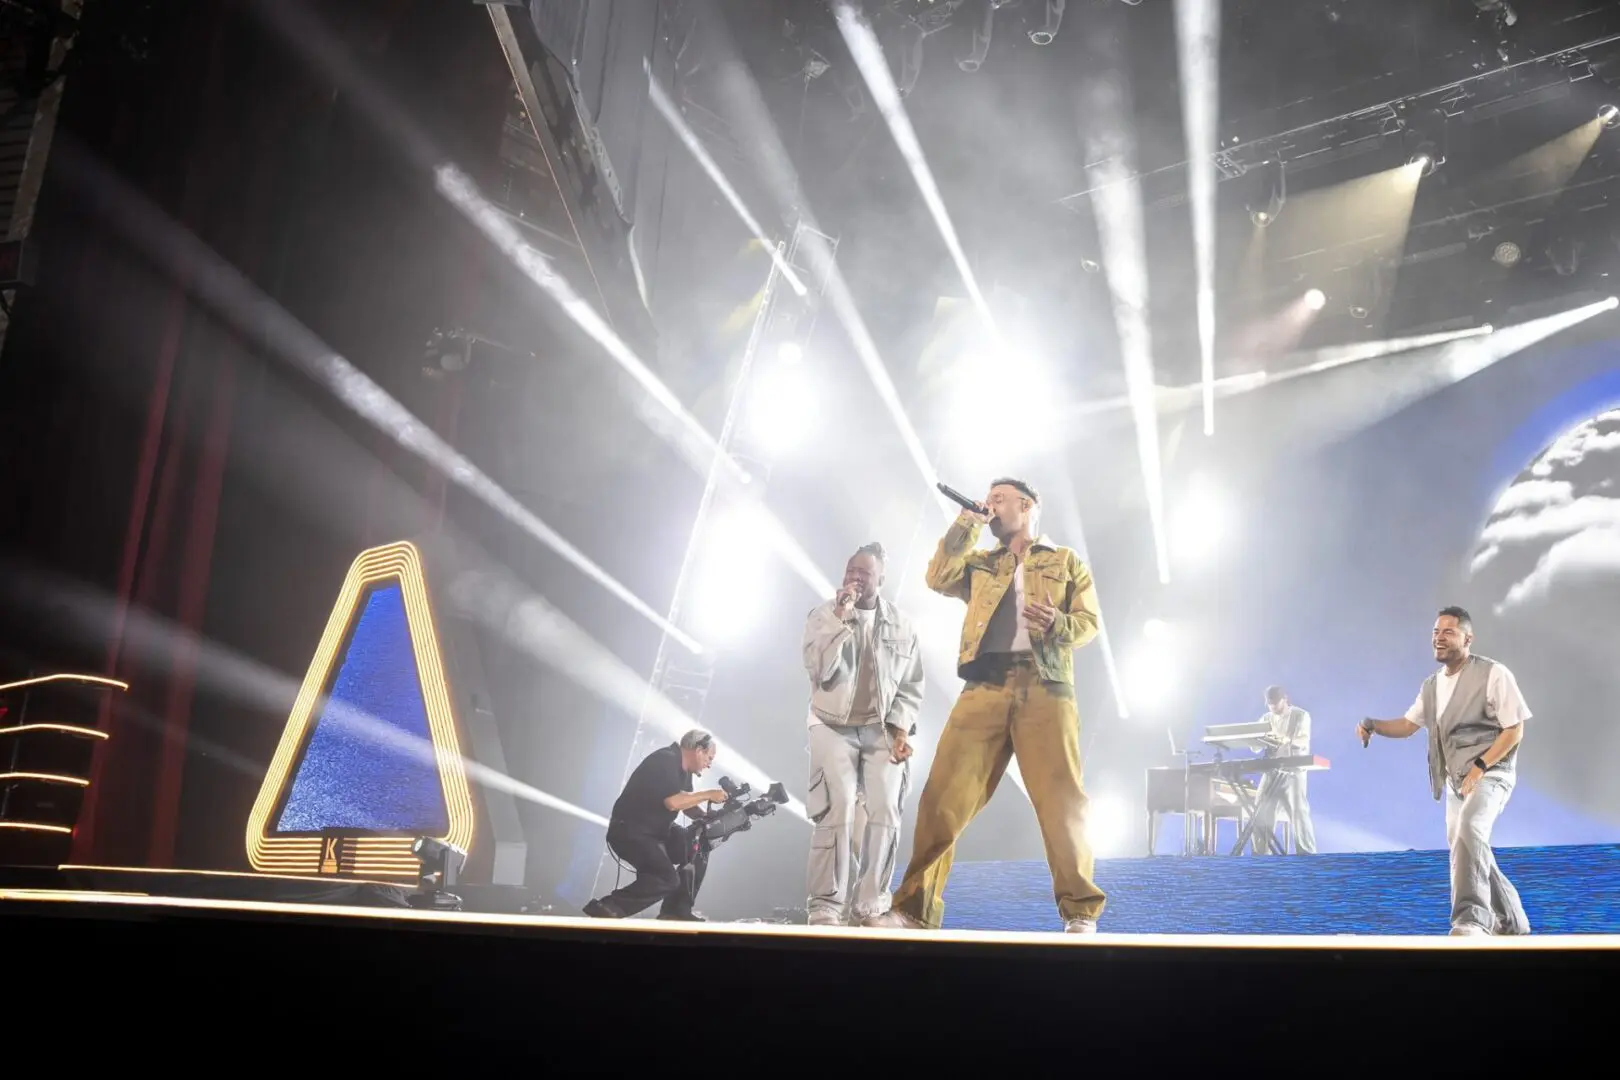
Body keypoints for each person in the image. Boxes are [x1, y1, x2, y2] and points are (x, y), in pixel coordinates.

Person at [871, 478, 1107, 933]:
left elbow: (1089, 622)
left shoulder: (1064, 560)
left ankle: (1080, 910)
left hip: (1046, 685)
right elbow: (938, 576)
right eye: (989, 499)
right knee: (943, 795)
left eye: (999, 499)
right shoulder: (981, 562)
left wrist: (1058, 622)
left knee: (1062, 801)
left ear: (1028, 504)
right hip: (985, 685)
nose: (991, 505)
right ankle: (913, 909)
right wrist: (966, 523)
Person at [1356, 606, 1531, 936]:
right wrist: (1374, 725)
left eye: (1448, 632)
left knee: (1470, 828)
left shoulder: (1494, 674)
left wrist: (1481, 766)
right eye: (1435, 632)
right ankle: (1511, 920)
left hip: (1492, 772)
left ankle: (1471, 920)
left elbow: (1514, 730)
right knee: (1466, 843)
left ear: (1468, 638)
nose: (1438, 637)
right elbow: (1408, 725)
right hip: (1456, 780)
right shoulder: (1431, 686)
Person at [801, 542, 924, 926]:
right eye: (850, 570)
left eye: (863, 573)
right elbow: (817, 669)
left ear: (880, 579)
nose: (854, 577)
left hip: (881, 728)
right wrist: (840, 617)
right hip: (831, 723)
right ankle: (826, 905)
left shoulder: (903, 625)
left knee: (886, 810)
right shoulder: (824, 615)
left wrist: (901, 729)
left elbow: (911, 685)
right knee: (835, 810)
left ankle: (871, 904)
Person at [584, 729, 725, 922]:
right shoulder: (665, 760)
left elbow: (686, 804)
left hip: (656, 831)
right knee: (666, 878)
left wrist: (706, 817)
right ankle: (608, 907)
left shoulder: (684, 772)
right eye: (709, 757)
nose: (709, 764)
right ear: (698, 750)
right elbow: (673, 802)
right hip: (631, 831)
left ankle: (676, 911)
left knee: (698, 842)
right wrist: (709, 794)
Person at [1248, 685, 1317, 855]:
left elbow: (1302, 741)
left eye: (1275, 703)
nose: (1273, 708)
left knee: (1298, 811)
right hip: (1272, 770)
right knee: (1261, 811)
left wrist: (1284, 740)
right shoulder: (1266, 717)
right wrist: (1256, 739)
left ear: (1284, 699)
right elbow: (1254, 746)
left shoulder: (1300, 715)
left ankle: (1307, 853)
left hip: (1293, 771)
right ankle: (1260, 856)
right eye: (1269, 704)